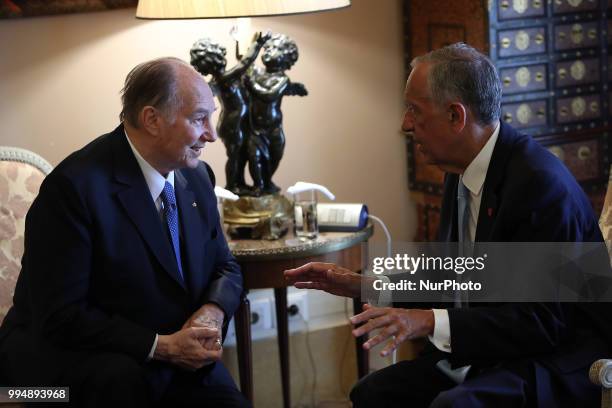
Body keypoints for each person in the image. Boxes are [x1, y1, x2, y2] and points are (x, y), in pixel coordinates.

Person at [285, 43, 612, 407]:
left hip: (557, 360)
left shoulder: (540, 185)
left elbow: (545, 321)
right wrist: (366, 285)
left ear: (456, 117)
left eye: (414, 110)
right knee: (372, 393)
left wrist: (426, 321)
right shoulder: (460, 170)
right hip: (492, 347)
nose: (405, 124)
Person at [0, 57, 249, 407]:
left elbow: (225, 266)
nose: (211, 133)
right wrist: (161, 347)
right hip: (71, 362)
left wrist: (212, 310)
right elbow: (60, 316)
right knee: (122, 383)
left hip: (173, 355)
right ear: (152, 120)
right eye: (198, 119)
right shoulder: (74, 189)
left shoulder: (196, 177)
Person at [190, 32, 271, 195]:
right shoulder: (224, 78)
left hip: (237, 122)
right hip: (231, 123)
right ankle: (233, 185)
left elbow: (243, 64)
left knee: (240, 155)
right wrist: (258, 44)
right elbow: (245, 63)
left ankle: (239, 183)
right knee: (234, 156)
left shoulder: (225, 78)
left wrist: (238, 42)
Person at [245, 33, 307, 196]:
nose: (268, 51)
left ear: (286, 58)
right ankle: (258, 185)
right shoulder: (256, 72)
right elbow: (245, 62)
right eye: (268, 48)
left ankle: (267, 182)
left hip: (274, 130)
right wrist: (254, 44)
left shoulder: (282, 79)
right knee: (254, 157)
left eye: (275, 49)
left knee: (274, 157)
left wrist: (251, 84)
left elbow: (269, 95)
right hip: (255, 128)